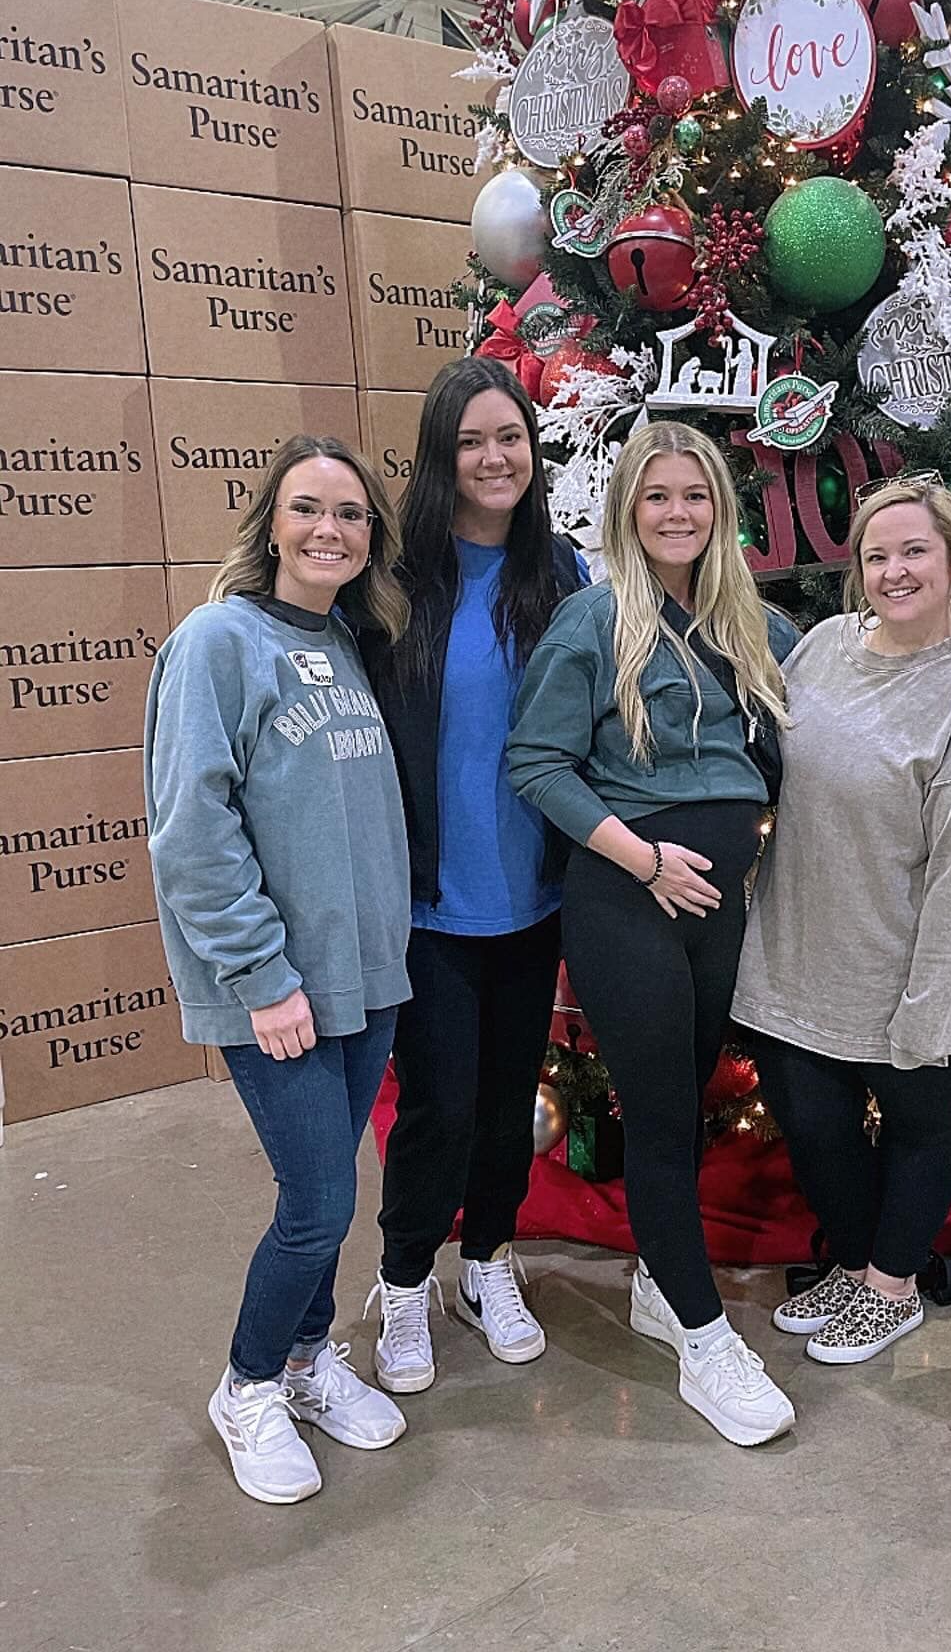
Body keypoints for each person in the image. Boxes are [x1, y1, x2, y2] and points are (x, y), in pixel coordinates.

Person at [507, 420, 800, 1447]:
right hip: (630, 898)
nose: (678, 514)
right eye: (656, 496)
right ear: (628, 509)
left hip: (720, 905)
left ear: (720, 510)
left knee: (680, 1108)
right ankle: (707, 1341)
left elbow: (841, 697)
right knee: (663, 1110)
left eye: (696, 496)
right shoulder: (594, 623)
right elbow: (535, 763)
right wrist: (644, 860)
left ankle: (656, 1289)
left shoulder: (752, 624)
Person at [144, 436, 413, 1505]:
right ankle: (248, 1383)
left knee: (329, 1197)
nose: (329, 531)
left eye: (351, 515)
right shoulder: (216, 642)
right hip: (281, 988)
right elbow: (189, 833)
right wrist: (262, 976)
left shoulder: (345, 643)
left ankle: (307, 1363)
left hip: (362, 976)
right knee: (317, 1202)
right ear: (271, 522)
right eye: (309, 509)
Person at [731, 477, 951, 1364]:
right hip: (794, 959)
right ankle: (860, 1262)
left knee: (914, 1131)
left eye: (914, 553)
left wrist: (933, 1012)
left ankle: (893, 1285)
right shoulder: (823, 646)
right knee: (815, 1131)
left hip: (904, 974)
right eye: (876, 556)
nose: (894, 572)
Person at [363, 358, 586, 1394]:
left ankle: (488, 1262)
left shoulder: (565, 576)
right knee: (438, 1108)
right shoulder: (395, 583)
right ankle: (405, 1278)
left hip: (532, 895)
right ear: (441, 457)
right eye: (471, 441)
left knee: (506, 1104)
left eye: (511, 437)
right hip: (428, 902)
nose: (495, 458)